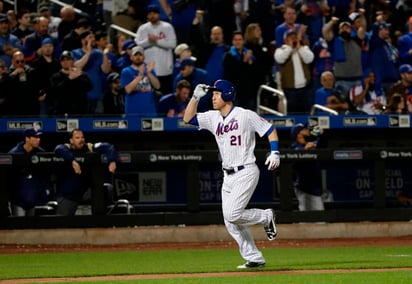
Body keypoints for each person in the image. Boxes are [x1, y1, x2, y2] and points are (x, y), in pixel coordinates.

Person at [183, 79, 280, 269]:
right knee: (231, 222)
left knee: (233, 214)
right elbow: (188, 119)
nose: (213, 97)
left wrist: (275, 151)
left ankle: (266, 216)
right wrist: (195, 97)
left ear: (227, 95)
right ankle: (254, 257)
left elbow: (269, 129)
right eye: (212, 94)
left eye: (217, 94)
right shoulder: (213, 117)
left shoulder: (244, 115)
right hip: (228, 175)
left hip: (246, 170)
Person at [54, 129, 118, 216]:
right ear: (71, 140)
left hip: (85, 192)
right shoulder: (66, 148)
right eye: (77, 138)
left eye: (82, 137)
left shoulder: (89, 147)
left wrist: (112, 161)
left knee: (106, 189)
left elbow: (109, 146)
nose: (81, 140)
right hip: (68, 195)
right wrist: (72, 160)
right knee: (62, 224)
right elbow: (58, 148)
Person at [135, 4, 177, 96]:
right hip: (149, 69)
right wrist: (149, 41)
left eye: (154, 13)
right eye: (150, 14)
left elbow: (173, 44)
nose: (152, 16)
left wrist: (156, 42)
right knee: (150, 96)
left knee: (166, 95)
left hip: (165, 68)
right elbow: (137, 45)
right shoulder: (143, 28)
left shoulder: (167, 27)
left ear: (158, 14)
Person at [7, 128, 50, 216]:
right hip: (18, 200)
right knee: (19, 226)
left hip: (32, 199)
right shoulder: (14, 153)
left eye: (39, 137)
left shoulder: (40, 152)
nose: (39, 139)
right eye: (35, 137)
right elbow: (9, 179)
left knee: (30, 226)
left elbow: (43, 175)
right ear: (27, 139)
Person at [274, 29, 314, 114]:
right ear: (285, 40)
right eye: (290, 37)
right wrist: (290, 48)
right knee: (291, 115)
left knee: (306, 114)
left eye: (295, 37)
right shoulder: (280, 50)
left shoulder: (304, 49)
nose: (293, 39)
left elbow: (309, 59)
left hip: (305, 90)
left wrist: (299, 47)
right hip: (289, 91)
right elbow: (280, 59)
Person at [290, 123, 325, 211]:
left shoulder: (311, 143)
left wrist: (321, 134)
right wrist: (305, 150)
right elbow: (293, 162)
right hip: (304, 188)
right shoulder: (295, 146)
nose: (307, 130)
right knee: (307, 218)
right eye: (304, 129)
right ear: (298, 134)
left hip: (315, 186)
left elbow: (323, 144)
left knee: (319, 219)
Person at [121, 45, 160, 117]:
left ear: (143, 57)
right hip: (132, 111)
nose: (138, 57)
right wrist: (140, 76)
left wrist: (148, 73)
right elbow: (128, 90)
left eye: (140, 55)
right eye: (136, 55)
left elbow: (157, 86)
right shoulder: (126, 71)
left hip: (149, 111)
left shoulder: (150, 70)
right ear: (131, 57)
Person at [49, 50, 93, 115]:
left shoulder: (81, 74)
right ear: (60, 62)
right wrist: (69, 79)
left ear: (73, 61)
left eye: (68, 60)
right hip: (62, 111)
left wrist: (78, 77)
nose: (65, 62)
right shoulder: (55, 76)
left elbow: (89, 87)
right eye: (63, 60)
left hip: (80, 111)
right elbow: (56, 91)